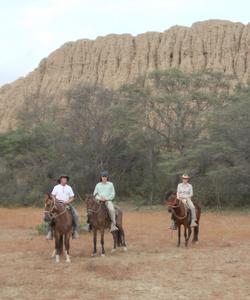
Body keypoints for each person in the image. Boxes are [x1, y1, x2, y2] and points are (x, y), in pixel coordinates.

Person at [46, 175, 80, 240]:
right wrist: (56, 201)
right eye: (63, 178)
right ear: (61, 180)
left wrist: (67, 201)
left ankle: (74, 232)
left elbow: (72, 197)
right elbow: (52, 196)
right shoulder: (56, 187)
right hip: (57, 205)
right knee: (50, 215)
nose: (65, 180)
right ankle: (50, 232)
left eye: (66, 179)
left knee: (76, 215)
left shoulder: (69, 187)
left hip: (67, 204)